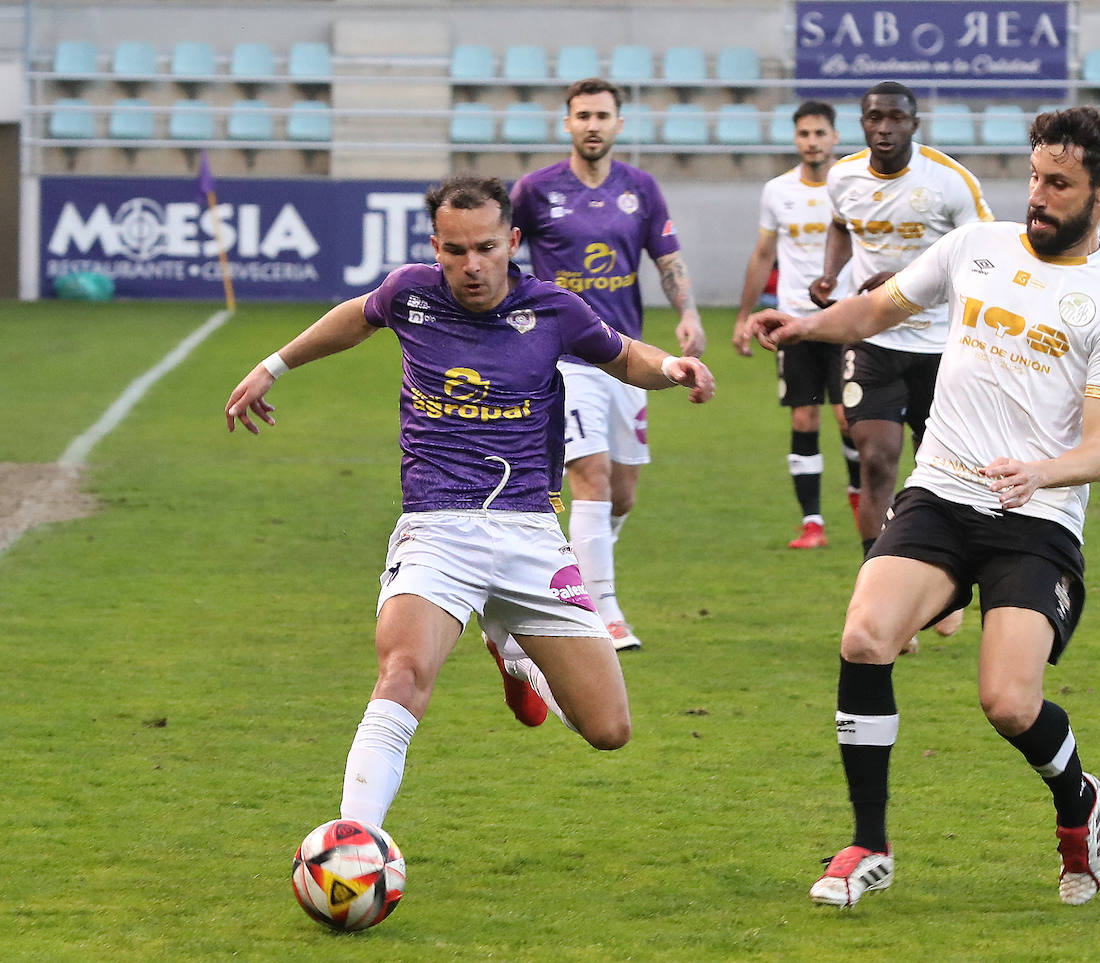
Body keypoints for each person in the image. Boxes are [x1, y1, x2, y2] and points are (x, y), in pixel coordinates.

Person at [224, 175, 714, 833]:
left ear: (512, 240)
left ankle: (516, 657)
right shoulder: (411, 293)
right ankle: (354, 839)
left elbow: (624, 356)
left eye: (485, 247)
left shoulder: (553, 310)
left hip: (530, 534)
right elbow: (356, 315)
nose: (471, 265)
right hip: (436, 528)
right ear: (436, 245)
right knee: (402, 673)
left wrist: (673, 368)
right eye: (454, 250)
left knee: (609, 729)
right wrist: (272, 366)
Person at [748, 106, 1100, 908]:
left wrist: (1040, 472)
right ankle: (869, 842)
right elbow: (878, 309)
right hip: (944, 492)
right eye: (1034, 176)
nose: (1037, 195)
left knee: (1007, 702)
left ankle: (1079, 801)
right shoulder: (977, 247)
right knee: (864, 636)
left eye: (1058, 184)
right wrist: (804, 327)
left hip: (1035, 519)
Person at [511, 78, 707, 652]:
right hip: (563, 359)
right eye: (582, 115)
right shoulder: (534, 190)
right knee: (589, 479)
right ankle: (602, 612)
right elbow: (499, 250)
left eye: (602, 115)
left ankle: (579, 566)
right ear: (566, 124)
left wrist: (689, 314)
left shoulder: (641, 190)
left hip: (628, 358)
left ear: (619, 124)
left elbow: (667, 258)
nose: (592, 124)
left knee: (622, 494)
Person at [812, 81, 994, 639]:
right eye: (874, 118)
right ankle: (882, 595)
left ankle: (949, 581)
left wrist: (908, 283)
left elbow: (985, 257)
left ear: (915, 124)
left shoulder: (950, 182)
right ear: (861, 124)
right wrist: (831, 273)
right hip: (873, 343)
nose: (884, 128)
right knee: (876, 461)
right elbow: (843, 224)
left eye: (895, 119)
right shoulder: (843, 177)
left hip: (943, 348)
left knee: (947, 472)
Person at [731, 100, 862, 550]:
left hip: (845, 318)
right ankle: (812, 523)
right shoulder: (778, 191)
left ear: (834, 137)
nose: (812, 141)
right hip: (792, 320)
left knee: (849, 419)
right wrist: (744, 316)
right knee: (805, 416)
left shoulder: (854, 186)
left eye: (820, 133)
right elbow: (763, 254)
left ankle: (861, 501)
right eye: (804, 134)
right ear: (796, 139)